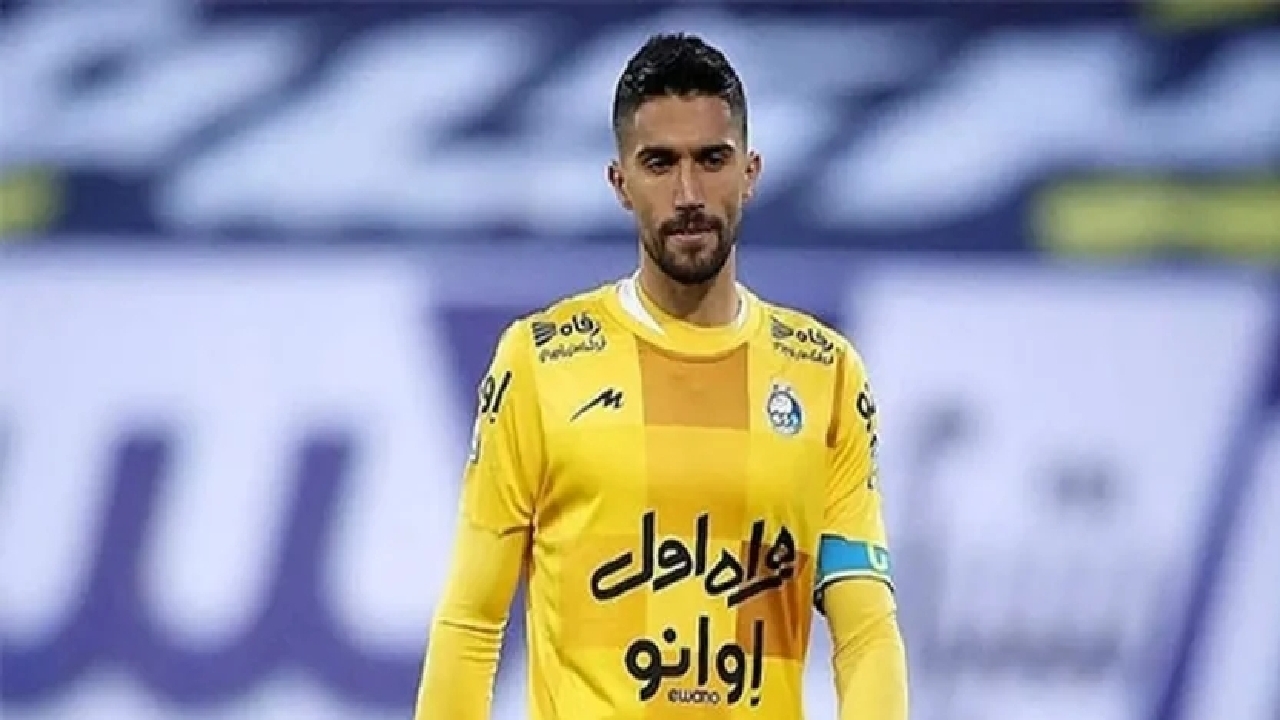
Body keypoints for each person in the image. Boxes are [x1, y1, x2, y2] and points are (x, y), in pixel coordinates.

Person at [414, 33, 908, 720]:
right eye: (659, 163)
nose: (688, 193)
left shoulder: (825, 375)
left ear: (751, 173)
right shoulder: (539, 362)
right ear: (620, 182)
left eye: (712, 159)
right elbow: (471, 622)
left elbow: (866, 633)